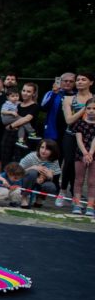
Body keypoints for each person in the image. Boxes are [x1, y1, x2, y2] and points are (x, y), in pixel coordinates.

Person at [59, 73, 94, 206]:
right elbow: (69, 120)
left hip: (90, 136)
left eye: (83, 79)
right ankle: (63, 191)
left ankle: (78, 196)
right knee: (69, 163)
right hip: (71, 135)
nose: (79, 82)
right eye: (78, 80)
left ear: (91, 82)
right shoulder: (69, 99)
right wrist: (86, 108)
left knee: (87, 166)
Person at [18, 139, 61, 209]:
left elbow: (54, 178)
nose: (43, 151)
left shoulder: (54, 161)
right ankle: (24, 197)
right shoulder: (31, 156)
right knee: (33, 172)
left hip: (41, 181)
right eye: (42, 147)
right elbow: (17, 171)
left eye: (47, 149)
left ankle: (39, 198)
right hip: (26, 179)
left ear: (53, 151)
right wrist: (32, 167)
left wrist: (50, 176)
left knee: (51, 186)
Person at [71, 98, 95, 216]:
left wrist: (91, 153)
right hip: (81, 154)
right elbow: (79, 140)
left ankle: (90, 205)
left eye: (94, 108)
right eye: (88, 108)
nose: (91, 111)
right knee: (79, 180)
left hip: (93, 154)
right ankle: (77, 203)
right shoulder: (79, 123)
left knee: (92, 181)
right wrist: (85, 153)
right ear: (85, 109)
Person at [41, 72, 75, 141]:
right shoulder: (51, 93)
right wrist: (54, 94)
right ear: (60, 81)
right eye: (65, 81)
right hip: (52, 130)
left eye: (71, 81)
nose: (68, 83)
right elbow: (43, 108)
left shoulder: (77, 96)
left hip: (70, 131)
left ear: (75, 83)